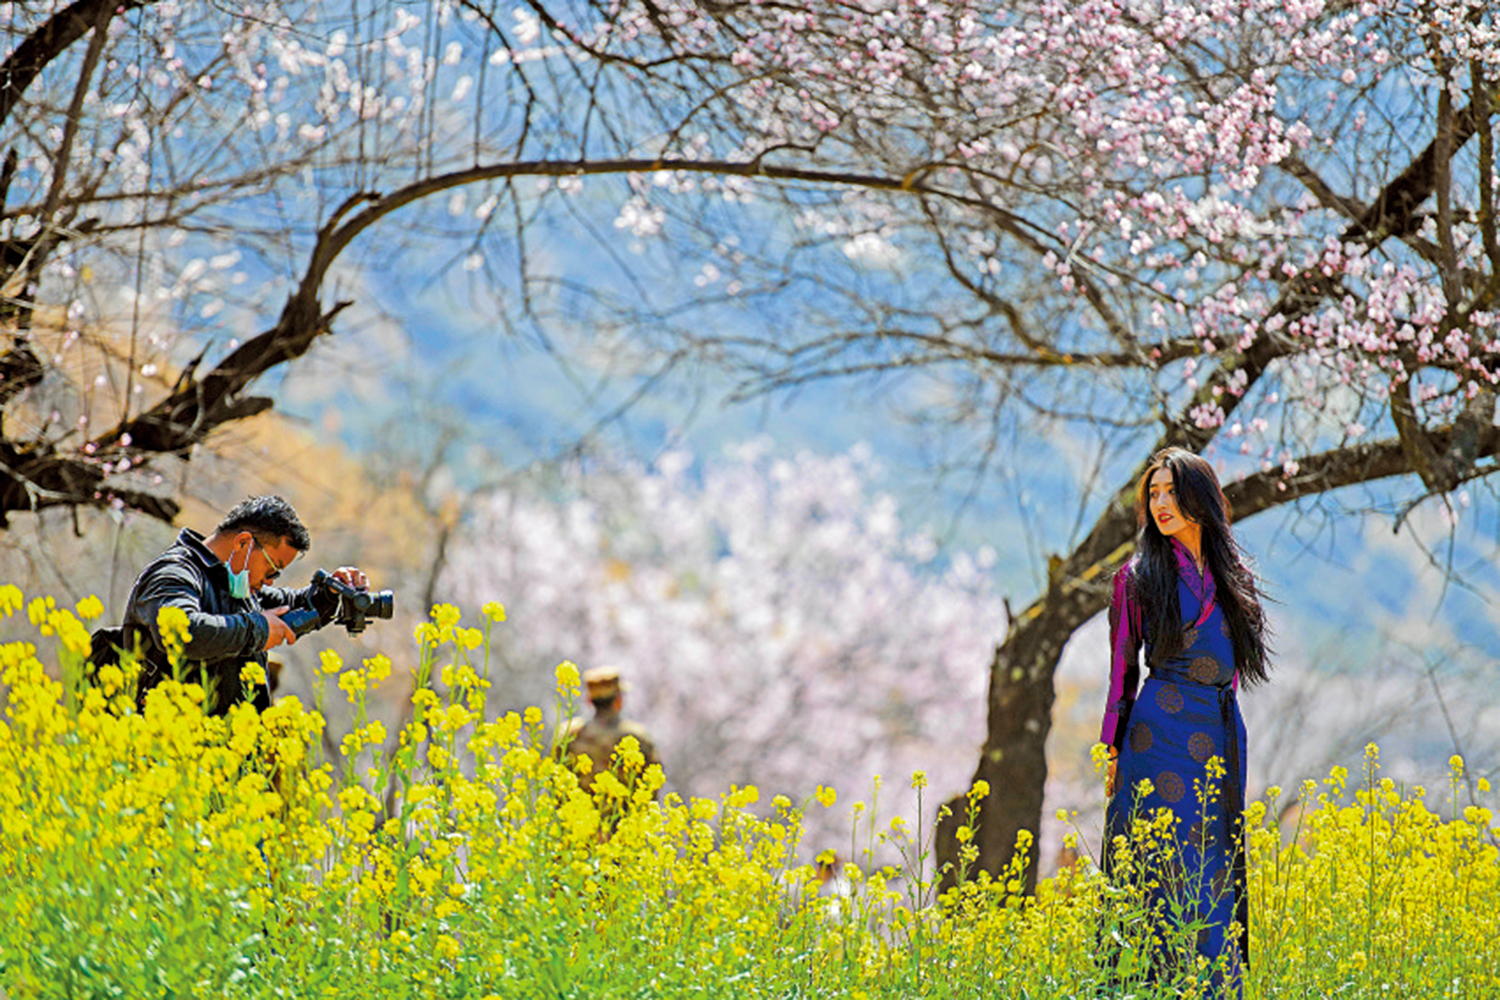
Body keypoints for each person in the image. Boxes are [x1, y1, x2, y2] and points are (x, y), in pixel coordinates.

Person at [1100, 447, 1270, 997]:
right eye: (1153, 493)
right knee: (1156, 863)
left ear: (1200, 497)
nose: (1161, 503)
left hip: (1219, 731)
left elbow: (1233, 668)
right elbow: (1121, 671)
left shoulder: (1235, 577)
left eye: (1172, 491)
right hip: (1157, 734)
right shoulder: (1137, 579)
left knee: (1214, 863)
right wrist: (1111, 748)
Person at [121, 495, 369, 714]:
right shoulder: (173, 574)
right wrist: (257, 630)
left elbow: (293, 607)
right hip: (170, 744)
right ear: (243, 543)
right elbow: (185, 631)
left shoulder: (236, 586)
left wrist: (330, 595)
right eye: (272, 570)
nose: (269, 582)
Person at [558, 665, 662, 796]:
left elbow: (557, 785)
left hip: (577, 808)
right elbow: (652, 788)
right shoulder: (638, 737)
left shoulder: (570, 734)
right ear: (618, 701)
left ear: (588, 701)